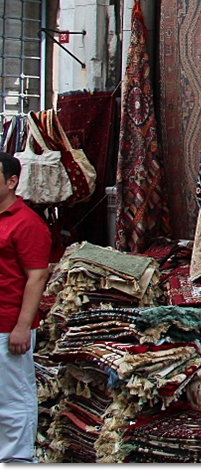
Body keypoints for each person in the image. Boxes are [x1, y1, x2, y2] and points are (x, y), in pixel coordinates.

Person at [0, 152, 51, 462]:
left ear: (11, 182)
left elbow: (37, 277)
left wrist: (22, 326)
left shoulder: (26, 223)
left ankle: (17, 459)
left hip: (8, 324)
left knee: (13, 398)